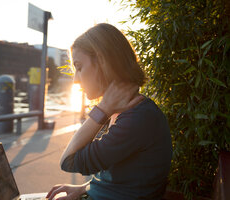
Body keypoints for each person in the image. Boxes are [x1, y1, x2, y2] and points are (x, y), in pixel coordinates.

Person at [46, 23, 172, 200]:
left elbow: (68, 160)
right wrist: (85, 188)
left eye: (79, 67)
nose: (75, 80)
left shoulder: (137, 119)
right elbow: (125, 178)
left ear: (103, 62)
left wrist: (102, 109)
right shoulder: (130, 112)